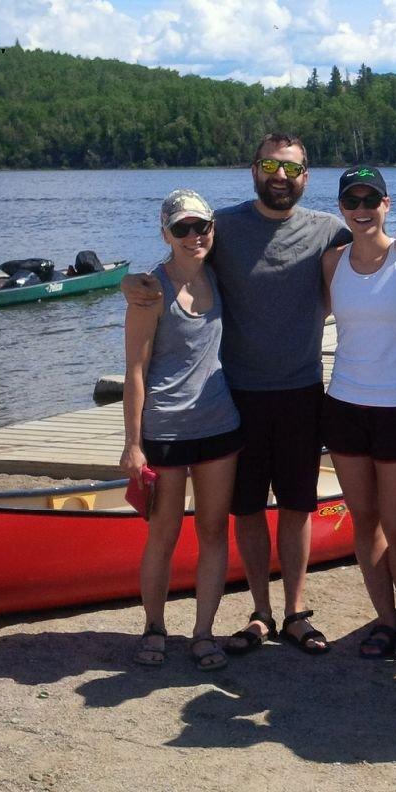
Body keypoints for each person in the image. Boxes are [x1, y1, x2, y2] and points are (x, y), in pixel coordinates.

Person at [123, 134, 351, 658]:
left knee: (297, 506)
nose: (280, 175)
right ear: (254, 169)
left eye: (290, 168)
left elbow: (370, 252)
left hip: (300, 390)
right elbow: (173, 262)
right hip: (235, 397)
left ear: (305, 177)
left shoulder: (326, 230)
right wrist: (128, 284)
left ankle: (295, 612)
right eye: (270, 164)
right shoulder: (221, 227)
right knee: (246, 511)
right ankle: (260, 612)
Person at [121, 190, 243, 670]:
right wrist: (133, 445)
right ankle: (154, 626)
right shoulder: (150, 290)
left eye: (202, 227)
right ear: (166, 233)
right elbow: (134, 370)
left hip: (219, 425)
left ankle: (203, 632)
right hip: (166, 430)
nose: (194, 237)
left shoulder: (218, 274)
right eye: (182, 229)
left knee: (214, 531)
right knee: (164, 534)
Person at [322, 166, 396, 662]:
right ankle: (383, 621)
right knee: (365, 521)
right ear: (342, 208)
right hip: (344, 403)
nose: (362, 209)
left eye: (371, 199)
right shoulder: (332, 261)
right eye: (352, 201)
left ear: (386, 203)